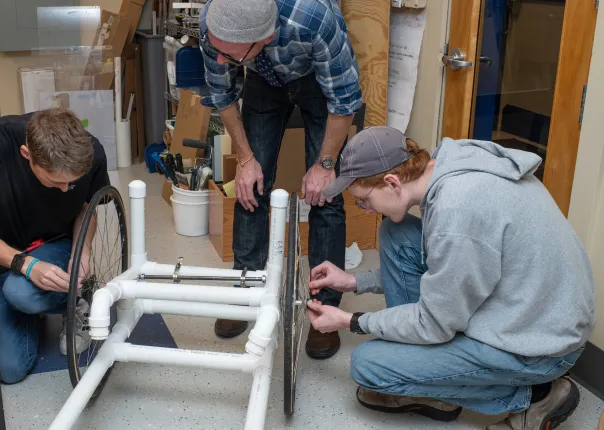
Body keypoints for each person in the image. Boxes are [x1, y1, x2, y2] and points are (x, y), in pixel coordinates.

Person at [306, 126, 595, 429]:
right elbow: (445, 266)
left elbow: (434, 323)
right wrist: (354, 282)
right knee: (395, 233)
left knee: (369, 365)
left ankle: (535, 396)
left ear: (392, 182)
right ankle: (431, 376)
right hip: (530, 310)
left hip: (541, 347)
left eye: (364, 200)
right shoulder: (450, 167)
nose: (366, 210)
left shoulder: (456, 212)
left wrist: (349, 320)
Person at [199, 0, 364, 359]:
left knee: (327, 195)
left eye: (229, 55)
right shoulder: (216, 22)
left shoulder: (315, 20)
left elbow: (345, 100)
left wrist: (325, 164)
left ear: (266, 37)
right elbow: (222, 94)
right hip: (262, 77)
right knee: (250, 185)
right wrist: (245, 160)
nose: (221, 60)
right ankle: (246, 290)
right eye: (218, 51)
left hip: (318, 80)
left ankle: (323, 306)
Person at [0, 108, 110, 384]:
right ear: (27, 155)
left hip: (56, 245)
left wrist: (81, 252)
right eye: (56, 182)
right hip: (3, 259)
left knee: (20, 292)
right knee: (11, 370)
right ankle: (36, 300)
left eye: (72, 183)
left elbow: (87, 210)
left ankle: (79, 297)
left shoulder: (91, 151)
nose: (65, 191)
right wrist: (27, 265)